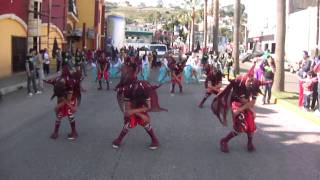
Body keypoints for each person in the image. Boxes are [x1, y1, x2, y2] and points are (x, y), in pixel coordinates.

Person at [212, 63, 265, 153]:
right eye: (249, 82)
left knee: (251, 125)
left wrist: (251, 110)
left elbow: (252, 102)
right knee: (241, 127)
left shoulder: (255, 84)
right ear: (247, 79)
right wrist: (241, 110)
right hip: (236, 103)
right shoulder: (238, 82)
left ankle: (249, 143)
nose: (250, 83)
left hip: (245, 103)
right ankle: (224, 141)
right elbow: (243, 100)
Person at [112, 65, 167, 150]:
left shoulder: (145, 88)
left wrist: (136, 112)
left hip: (140, 106)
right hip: (133, 106)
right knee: (129, 123)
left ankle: (154, 139)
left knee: (145, 121)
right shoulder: (127, 90)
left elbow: (148, 107)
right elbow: (127, 109)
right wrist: (133, 112)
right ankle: (119, 139)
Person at [44, 65, 80, 140]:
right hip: (63, 98)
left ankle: (74, 132)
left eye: (61, 71)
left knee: (70, 113)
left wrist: (68, 106)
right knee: (59, 114)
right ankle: (56, 132)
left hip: (71, 97)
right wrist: (43, 79)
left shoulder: (70, 82)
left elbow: (68, 99)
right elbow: (50, 81)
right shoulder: (58, 80)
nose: (59, 72)